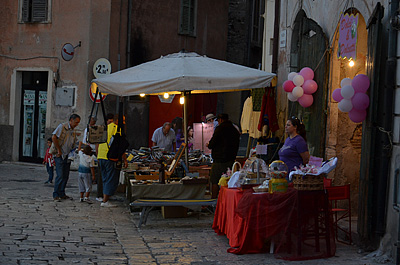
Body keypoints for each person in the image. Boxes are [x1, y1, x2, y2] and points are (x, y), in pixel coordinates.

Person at [97, 114, 128, 207]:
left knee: (105, 178)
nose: (124, 123)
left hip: (101, 156)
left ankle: (105, 197)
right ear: (117, 121)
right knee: (111, 178)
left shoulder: (106, 128)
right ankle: (105, 201)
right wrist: (125, 160)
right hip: (110, 157)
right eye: (123, 121)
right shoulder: (117, 129)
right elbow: (119, 146)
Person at [207, 113, 240, 198]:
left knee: (215, 181)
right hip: (231, 160)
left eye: (218, 120)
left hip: (219, 160)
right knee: (228, 182)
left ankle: (214, 202)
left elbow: (211, 144)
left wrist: (208, 144)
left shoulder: (219, 129)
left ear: (221, 120)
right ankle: (225, 199)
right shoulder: (234, 129)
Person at [52, 114, 81, 202]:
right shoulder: (62, 127)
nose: (77, 124)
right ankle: (56, 194)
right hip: (60, 155)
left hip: (68, 155)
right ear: (71, 120)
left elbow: (75, 142)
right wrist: (58, 149)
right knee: (60, 175)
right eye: (76, 122)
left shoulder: (73, 131)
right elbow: (54, 137)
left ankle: (62, 193)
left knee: (65, 176)